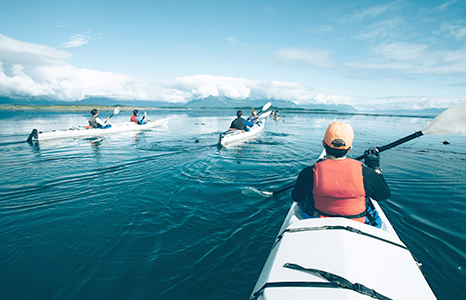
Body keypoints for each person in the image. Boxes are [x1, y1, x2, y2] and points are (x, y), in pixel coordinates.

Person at [291, 121, 390, 227]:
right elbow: (383, 195)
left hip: (318, 219)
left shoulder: (309, 173)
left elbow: (296, 197)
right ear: (349, 148)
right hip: (358, 223)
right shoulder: (366, 173)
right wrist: (374, 168)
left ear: (324, 144)